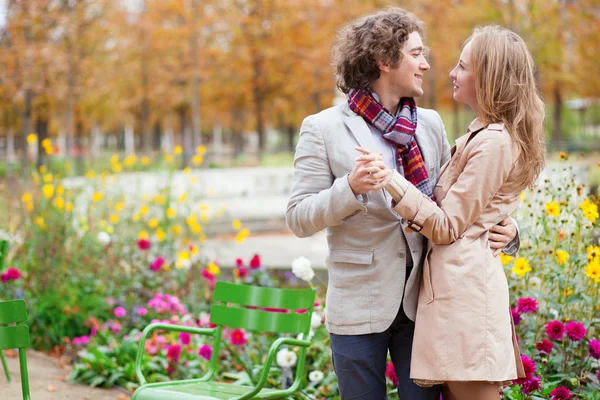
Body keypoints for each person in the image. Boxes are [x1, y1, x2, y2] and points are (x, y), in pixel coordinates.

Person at [286, 9, 520, 400]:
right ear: (384, 60)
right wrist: (350, 188)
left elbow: (459, 203)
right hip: (358, 306)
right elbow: (298, 217)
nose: (426, 63)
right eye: (416, 53)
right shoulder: (323, 128)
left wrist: (512, 230)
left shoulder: (429, 125)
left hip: (423, 305)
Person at [358, 25, 545, 400]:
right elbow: (481, 210)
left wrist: (391, 181)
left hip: (466, 301)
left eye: (462, 66)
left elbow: (446, 226)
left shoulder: (493, 143)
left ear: (489, 78)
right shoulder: (479, 135)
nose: (450, 74)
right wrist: (507, 228)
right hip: (454, 297)